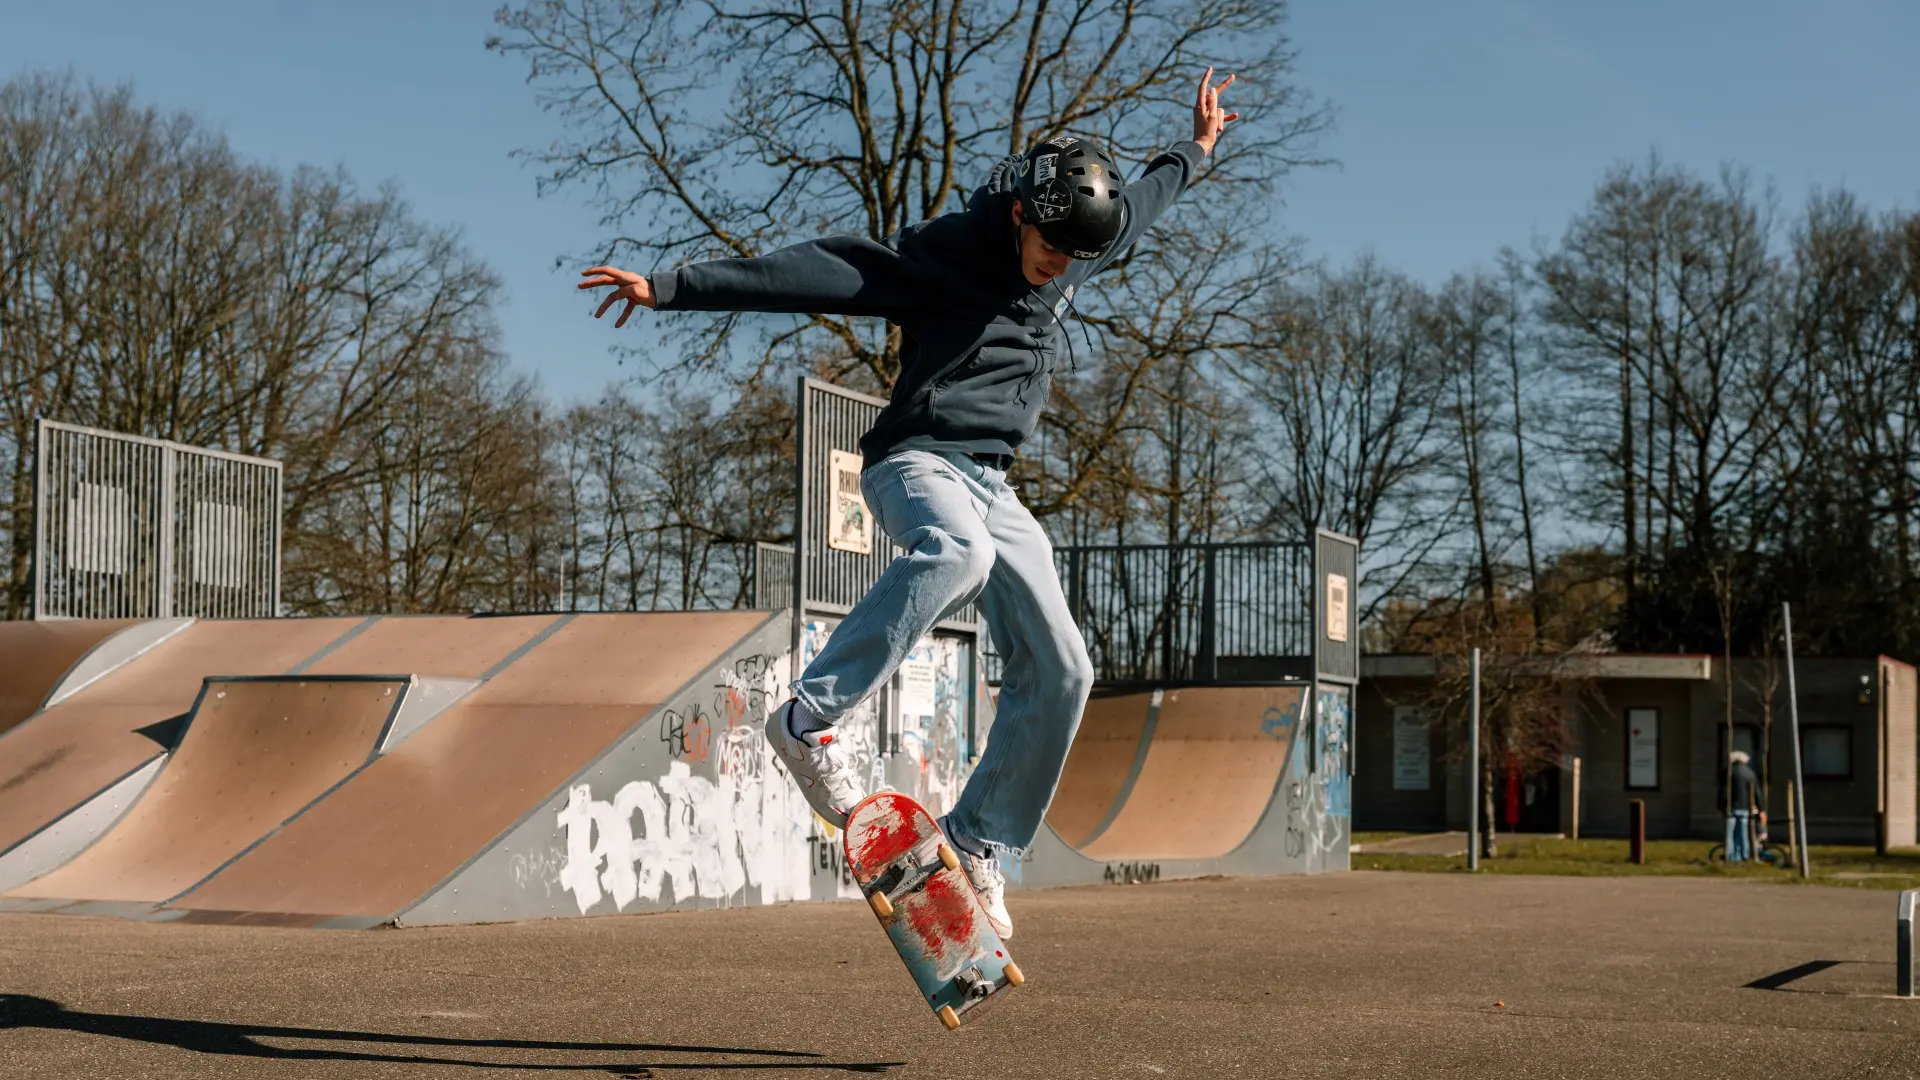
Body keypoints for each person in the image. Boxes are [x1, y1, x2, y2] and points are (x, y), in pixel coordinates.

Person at [579, 69, 1239, 937]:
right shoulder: (946, 254)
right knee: (957, 554)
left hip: (994, 486)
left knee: (1067, 667)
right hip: (916, 462)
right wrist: (670, 287)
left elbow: (1147, 201)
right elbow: (818, 271)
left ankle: (979, 841)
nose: (1056, 269)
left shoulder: (1078, 240)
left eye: (1072, 258)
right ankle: (809, 721)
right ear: (1018, 215)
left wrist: (1194, 148)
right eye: (1046, 251)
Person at [1724, 750, 1760, 863]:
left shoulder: (1728, 773)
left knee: (1729, 833)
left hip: (1731, 807)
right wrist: (1761, 808)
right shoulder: (1750, 774)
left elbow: (1724, 791)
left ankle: (1731, 855)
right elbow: (1756, 792)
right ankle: (1744, 854)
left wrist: (1721, 805)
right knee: (1743, 832)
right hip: (1745, 808)